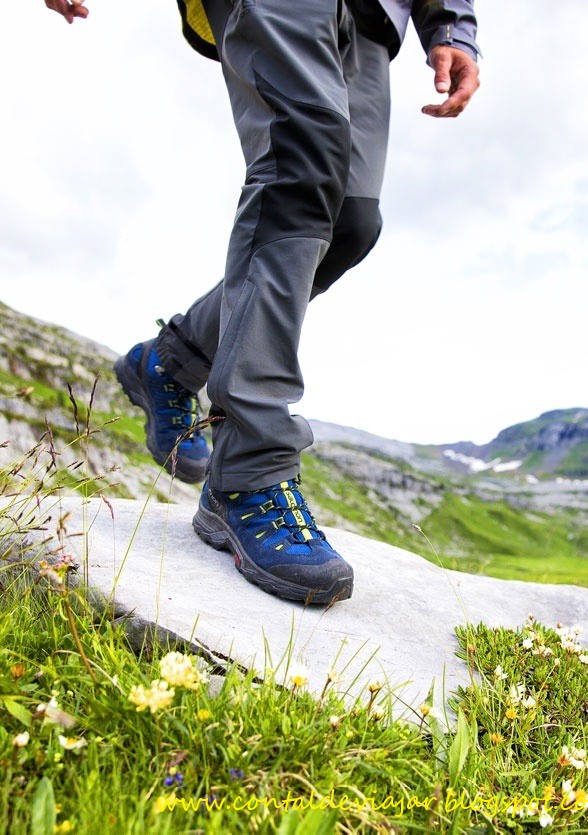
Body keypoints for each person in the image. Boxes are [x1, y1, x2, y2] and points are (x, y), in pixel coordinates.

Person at [44, 0, 480, 606]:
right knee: (301, 163)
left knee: (350, 222)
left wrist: (451, 23)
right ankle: (248, 470)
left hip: (378, 17)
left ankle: (174, 358)